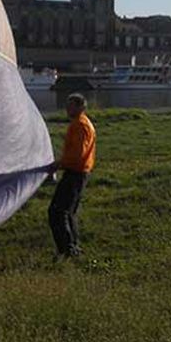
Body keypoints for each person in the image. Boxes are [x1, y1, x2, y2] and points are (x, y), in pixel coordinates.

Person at [48, 93, 96, 258]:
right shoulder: (80, 124)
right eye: (67, 106)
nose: (67, 109)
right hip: (78, 172)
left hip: (75, 172)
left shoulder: (80, 125)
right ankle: (72, 247)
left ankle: (67, 250)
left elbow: (77, 154)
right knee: (68, 212)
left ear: (81, 107)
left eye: (71, 106)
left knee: (57, 211)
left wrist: (58, 164)